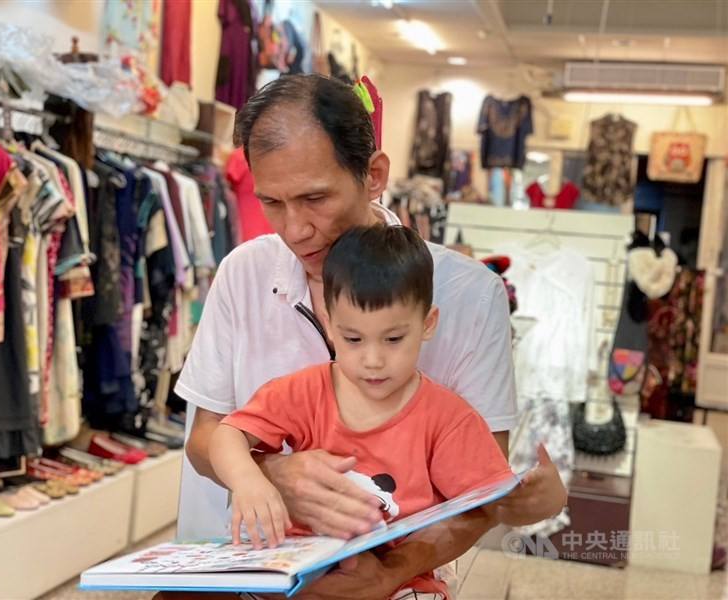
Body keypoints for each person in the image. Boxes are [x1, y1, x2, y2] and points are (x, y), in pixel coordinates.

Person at [170, 74, 567, 599]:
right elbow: (206, 437)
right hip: (259, 569)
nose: (294, 230)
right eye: (272, 203)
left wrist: (388, 575)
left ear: (374, 174)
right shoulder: (245, 270)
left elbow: (475, 500)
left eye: (315, 198)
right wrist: (273, 475)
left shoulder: (471, 295)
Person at [210, 224, 515, 598]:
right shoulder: (303, 391)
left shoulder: (448, 418)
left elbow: (486, 502)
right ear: (331, 325)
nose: (373, 360)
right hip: (296, 573)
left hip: (397, 583)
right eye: (353, 339)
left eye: (393, 339)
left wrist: (533, 497)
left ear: (427, 324)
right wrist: (248, 480)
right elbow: (226, 434)